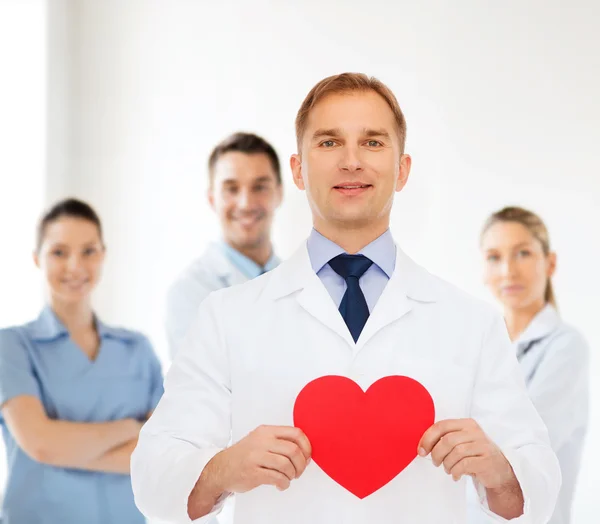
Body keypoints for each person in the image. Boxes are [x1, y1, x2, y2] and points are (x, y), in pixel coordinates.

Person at [131, 73, 560, 524]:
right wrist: (223, 468)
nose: (351, 161)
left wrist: (499, 470)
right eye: (329, 142)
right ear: (298, 169)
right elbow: (152, 475)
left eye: (373, 143)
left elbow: (539, 483)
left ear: (403, 169)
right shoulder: (226, 317)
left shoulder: (471, 323)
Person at [0, 198, 164, 524]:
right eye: (59, 252)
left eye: (88, 251)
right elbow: (42, 444)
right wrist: (133, 428)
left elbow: (161, 454)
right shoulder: (11, 346)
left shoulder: (138, 349)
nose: (75, 266)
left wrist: (65, 449)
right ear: (37, 259)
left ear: (103, 255)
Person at [476, 206, 589, 524]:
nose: (508, 271)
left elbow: (528, 445)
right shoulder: (480, 342)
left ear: (550, 263)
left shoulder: (565, 347)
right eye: (494, 257)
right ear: (483, 269)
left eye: (523, 253)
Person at [165, 132, 283, 358]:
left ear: (279, 193)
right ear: (212, 199)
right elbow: (202, 388)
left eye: (260, 187)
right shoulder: (190, 293)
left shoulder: (305, 281)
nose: (246, 203)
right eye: (231, 188)